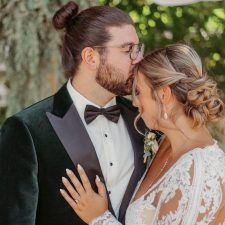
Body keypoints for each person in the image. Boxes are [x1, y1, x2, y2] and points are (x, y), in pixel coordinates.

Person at [0, 2, 154, 225]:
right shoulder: (26, 129)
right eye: (127, 50)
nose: (138, 60)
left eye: (138, 49)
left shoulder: (143, 120)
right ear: (91, 57)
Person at [60, 44, 225, 225]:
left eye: (138, 92)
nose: (135, 103)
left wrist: (99, 218)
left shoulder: (201, 170)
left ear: (164, 94)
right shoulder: (165, 144)